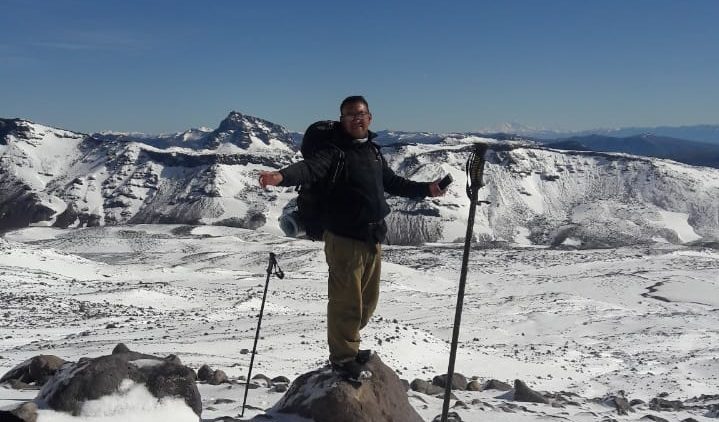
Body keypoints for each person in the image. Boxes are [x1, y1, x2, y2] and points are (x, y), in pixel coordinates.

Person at [259, 96, 446, 380]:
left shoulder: (371, 150)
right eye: (350, 115)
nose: (357, 119)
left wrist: (426, 190)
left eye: (361, 114)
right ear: (342, 121)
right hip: (345, 238)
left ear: (370, 118)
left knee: (366, 303)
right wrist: (280, 176)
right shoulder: (335, 153)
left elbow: (393, 182)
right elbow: (309, 168)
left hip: (372, 235)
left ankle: (351, 345)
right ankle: (343, 358)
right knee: (346, 302)